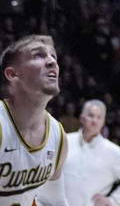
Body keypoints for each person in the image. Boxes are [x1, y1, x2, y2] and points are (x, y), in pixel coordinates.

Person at [0, 33, 69, 205]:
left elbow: (55, 201)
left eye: (53, 56)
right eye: (38, 55)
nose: (52, 61)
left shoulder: (58, 136)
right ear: (12, 74)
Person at [63, 98, 120, 206]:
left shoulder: (111, 150)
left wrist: (113, 200)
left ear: (103, 122)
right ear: (82, 118)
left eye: (99, 117)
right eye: (91, 115)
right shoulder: (65, 141)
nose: (94, 121)